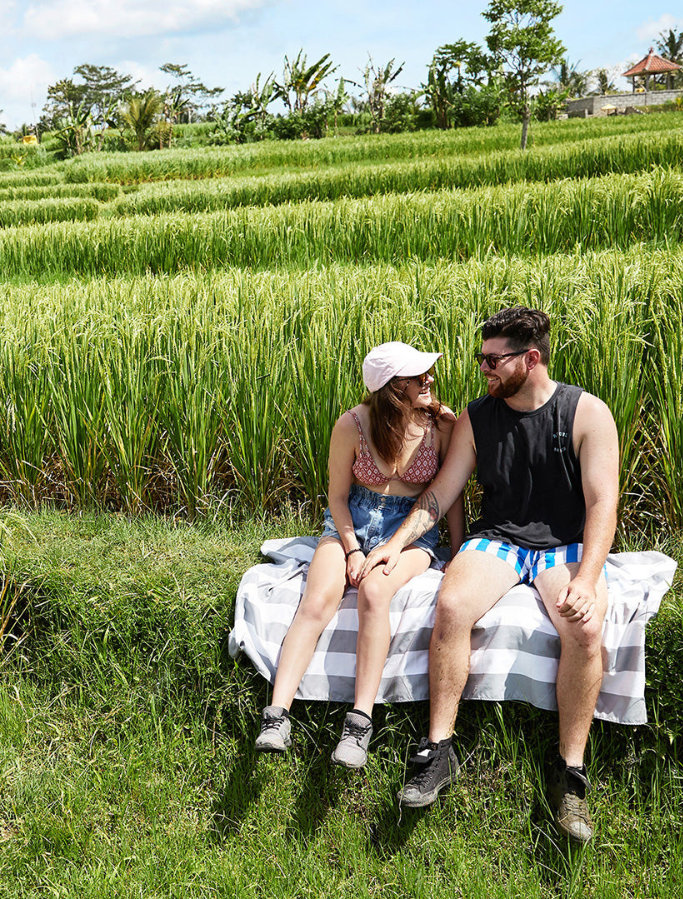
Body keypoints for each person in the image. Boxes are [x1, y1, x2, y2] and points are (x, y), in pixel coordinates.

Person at [363, 307, 619, 843]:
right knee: (452, 605)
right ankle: (439, 749)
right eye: (481, 359)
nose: (482, 370)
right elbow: (440, 495)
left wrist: (587, 576)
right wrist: (394, 543)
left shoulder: (587, 414)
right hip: (497, 539)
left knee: (585, 628)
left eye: (491, 360)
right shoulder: (480, 418)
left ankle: (570, 774)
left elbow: (602, 503)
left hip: (563, 545)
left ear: (531, 359)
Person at [256, 342, 464, 767]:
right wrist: (350, 548)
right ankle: (277, 716)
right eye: (417, 376)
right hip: (351, 523)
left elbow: (451, 497)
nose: (429, 380)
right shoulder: (351, 424)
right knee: (316, 600)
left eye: (427, 373)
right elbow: (336, 497)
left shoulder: (440, 426)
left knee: (373, 593)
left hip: (412, 534)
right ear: (391, 387)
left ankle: (359, 722)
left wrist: (457, 551)